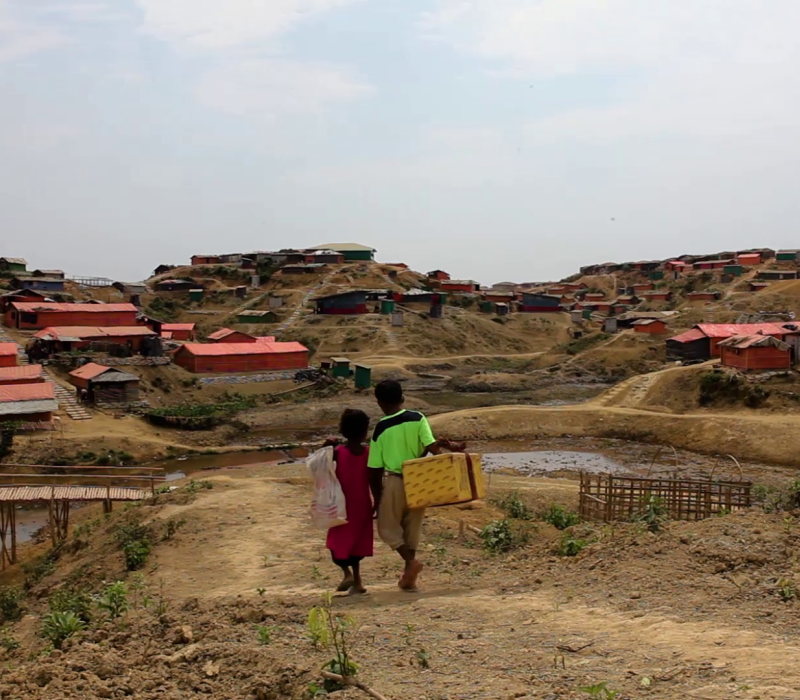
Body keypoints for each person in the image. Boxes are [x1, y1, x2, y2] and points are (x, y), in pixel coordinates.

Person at [368, 379, 440, 591]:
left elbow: (374, 469)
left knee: (387, 527)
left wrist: (378, 498)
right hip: (419, 479)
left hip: (396, 480)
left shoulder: (381, 428)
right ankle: (409, 576)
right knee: (412, 527)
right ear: (402, 398)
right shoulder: (418, 418)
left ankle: (410, 563)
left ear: (379, 402)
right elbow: (432, 447)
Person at [326, 408, 373, 595]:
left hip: (341, 506)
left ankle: (347, 574)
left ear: (343, 429)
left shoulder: (338, 452)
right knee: (356, 543)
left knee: (336, 542)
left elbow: (317, 466)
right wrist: (378, 501)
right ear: (365, 431)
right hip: (362, 504)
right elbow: (375, 479)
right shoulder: (369, 453)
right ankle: (357, 581)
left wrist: (325, 447)